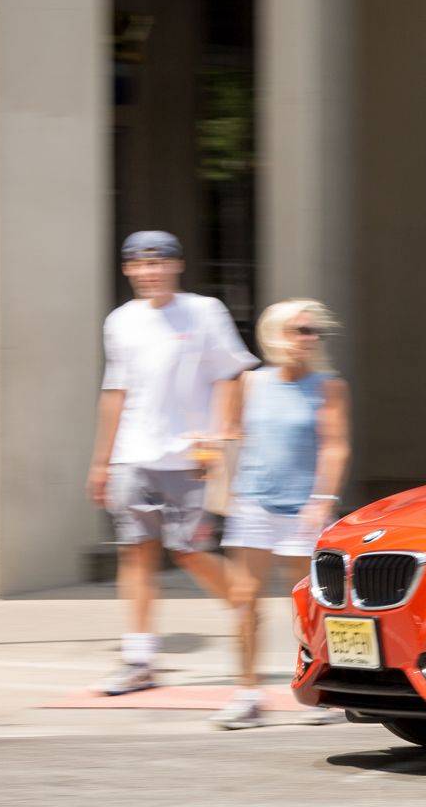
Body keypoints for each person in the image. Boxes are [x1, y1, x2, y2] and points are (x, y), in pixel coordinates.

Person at [90, 231, 258, 694]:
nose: (150, 273)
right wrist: (101, 462)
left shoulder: (204, 311)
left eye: (158, 263)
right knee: (136, 555)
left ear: (176, 265)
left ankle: (249, 615)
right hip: (132, 457)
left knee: (190, 553)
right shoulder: (120, 321)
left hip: (189, 459)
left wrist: (221, 434)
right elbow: (115, 393)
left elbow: (231, 373)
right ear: (127, 270)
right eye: (140, 265)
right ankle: (139, 660)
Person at [211, 299, 352, 730]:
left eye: (312, 332)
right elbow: (229, 436)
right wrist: (210, 450)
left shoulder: (329, 387)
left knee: (311, 605)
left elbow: (335, 445)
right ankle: (248, 693)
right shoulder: (251, 383)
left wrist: (322, 499)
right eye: (298, 330)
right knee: (245, 601)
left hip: (302, 510)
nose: (306, 340)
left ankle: (321, 689)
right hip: (252, 501)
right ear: (276, 335)